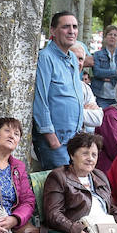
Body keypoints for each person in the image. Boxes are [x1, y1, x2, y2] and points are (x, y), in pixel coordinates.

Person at [32, 12, 85, 168]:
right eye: (65, 27)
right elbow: (40, 100)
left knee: (72, 188)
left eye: (74, 27)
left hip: (74, 140)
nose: (71, 31)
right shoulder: (45, 58)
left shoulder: (73, 60)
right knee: (58, 187)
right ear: (53, 31)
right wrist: (51, 139)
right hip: (55, 142)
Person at [91, 24, 117, 108]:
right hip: (101, 96)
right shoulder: (97, 54)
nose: (112, 37)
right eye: (110, 34)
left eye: (115, 35)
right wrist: (115, 72)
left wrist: (108, 77)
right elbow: (97, 72)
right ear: (105, 37)